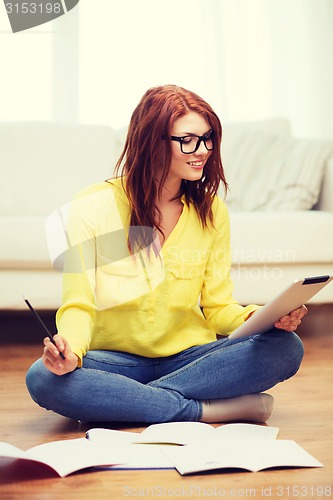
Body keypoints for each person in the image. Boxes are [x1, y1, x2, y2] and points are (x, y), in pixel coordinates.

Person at [26, 85, 307, 424]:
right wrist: (68, 351)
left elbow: (218, 308)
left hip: (189, 359)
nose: (202, 150)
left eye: (208, 139)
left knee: (287, 347)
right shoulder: (91, 206)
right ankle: (201, 409)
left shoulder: (212, 211)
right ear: (152, 141)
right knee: (41, 377)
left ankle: (126, 400)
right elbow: (78, 304)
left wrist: (259, 318)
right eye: (188, 140)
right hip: (114, 360)